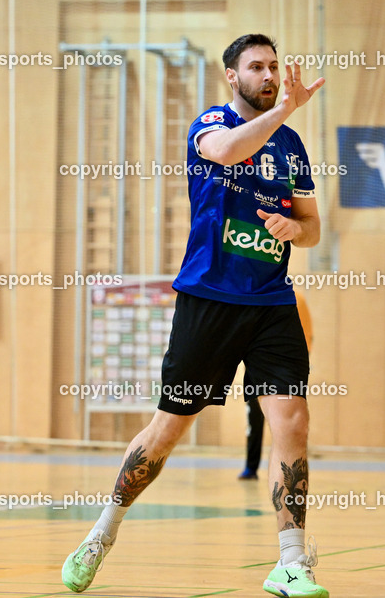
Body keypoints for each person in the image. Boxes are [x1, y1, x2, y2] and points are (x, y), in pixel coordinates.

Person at [62, 34, 328, 598]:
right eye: (256, 67)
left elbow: (312, 225)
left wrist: (294, 230)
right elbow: (229, 152)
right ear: (232, 76)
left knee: (293, 425)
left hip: (271, 302)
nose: (270, 75)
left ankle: (291, 561)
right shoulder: (211, 124)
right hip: (209, 300)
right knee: (167, 431)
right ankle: (101, 533)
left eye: (274, 67)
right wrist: (284, 110)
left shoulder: (293, 146)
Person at [240, 289, 313, 480]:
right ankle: (251, 466)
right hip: (257, 365)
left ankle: (288, 466)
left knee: (288, 421)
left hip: (285, 368)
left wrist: (296, 365)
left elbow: (306, 334)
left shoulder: (297, 299)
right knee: (254, 419)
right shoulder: (257, 296)